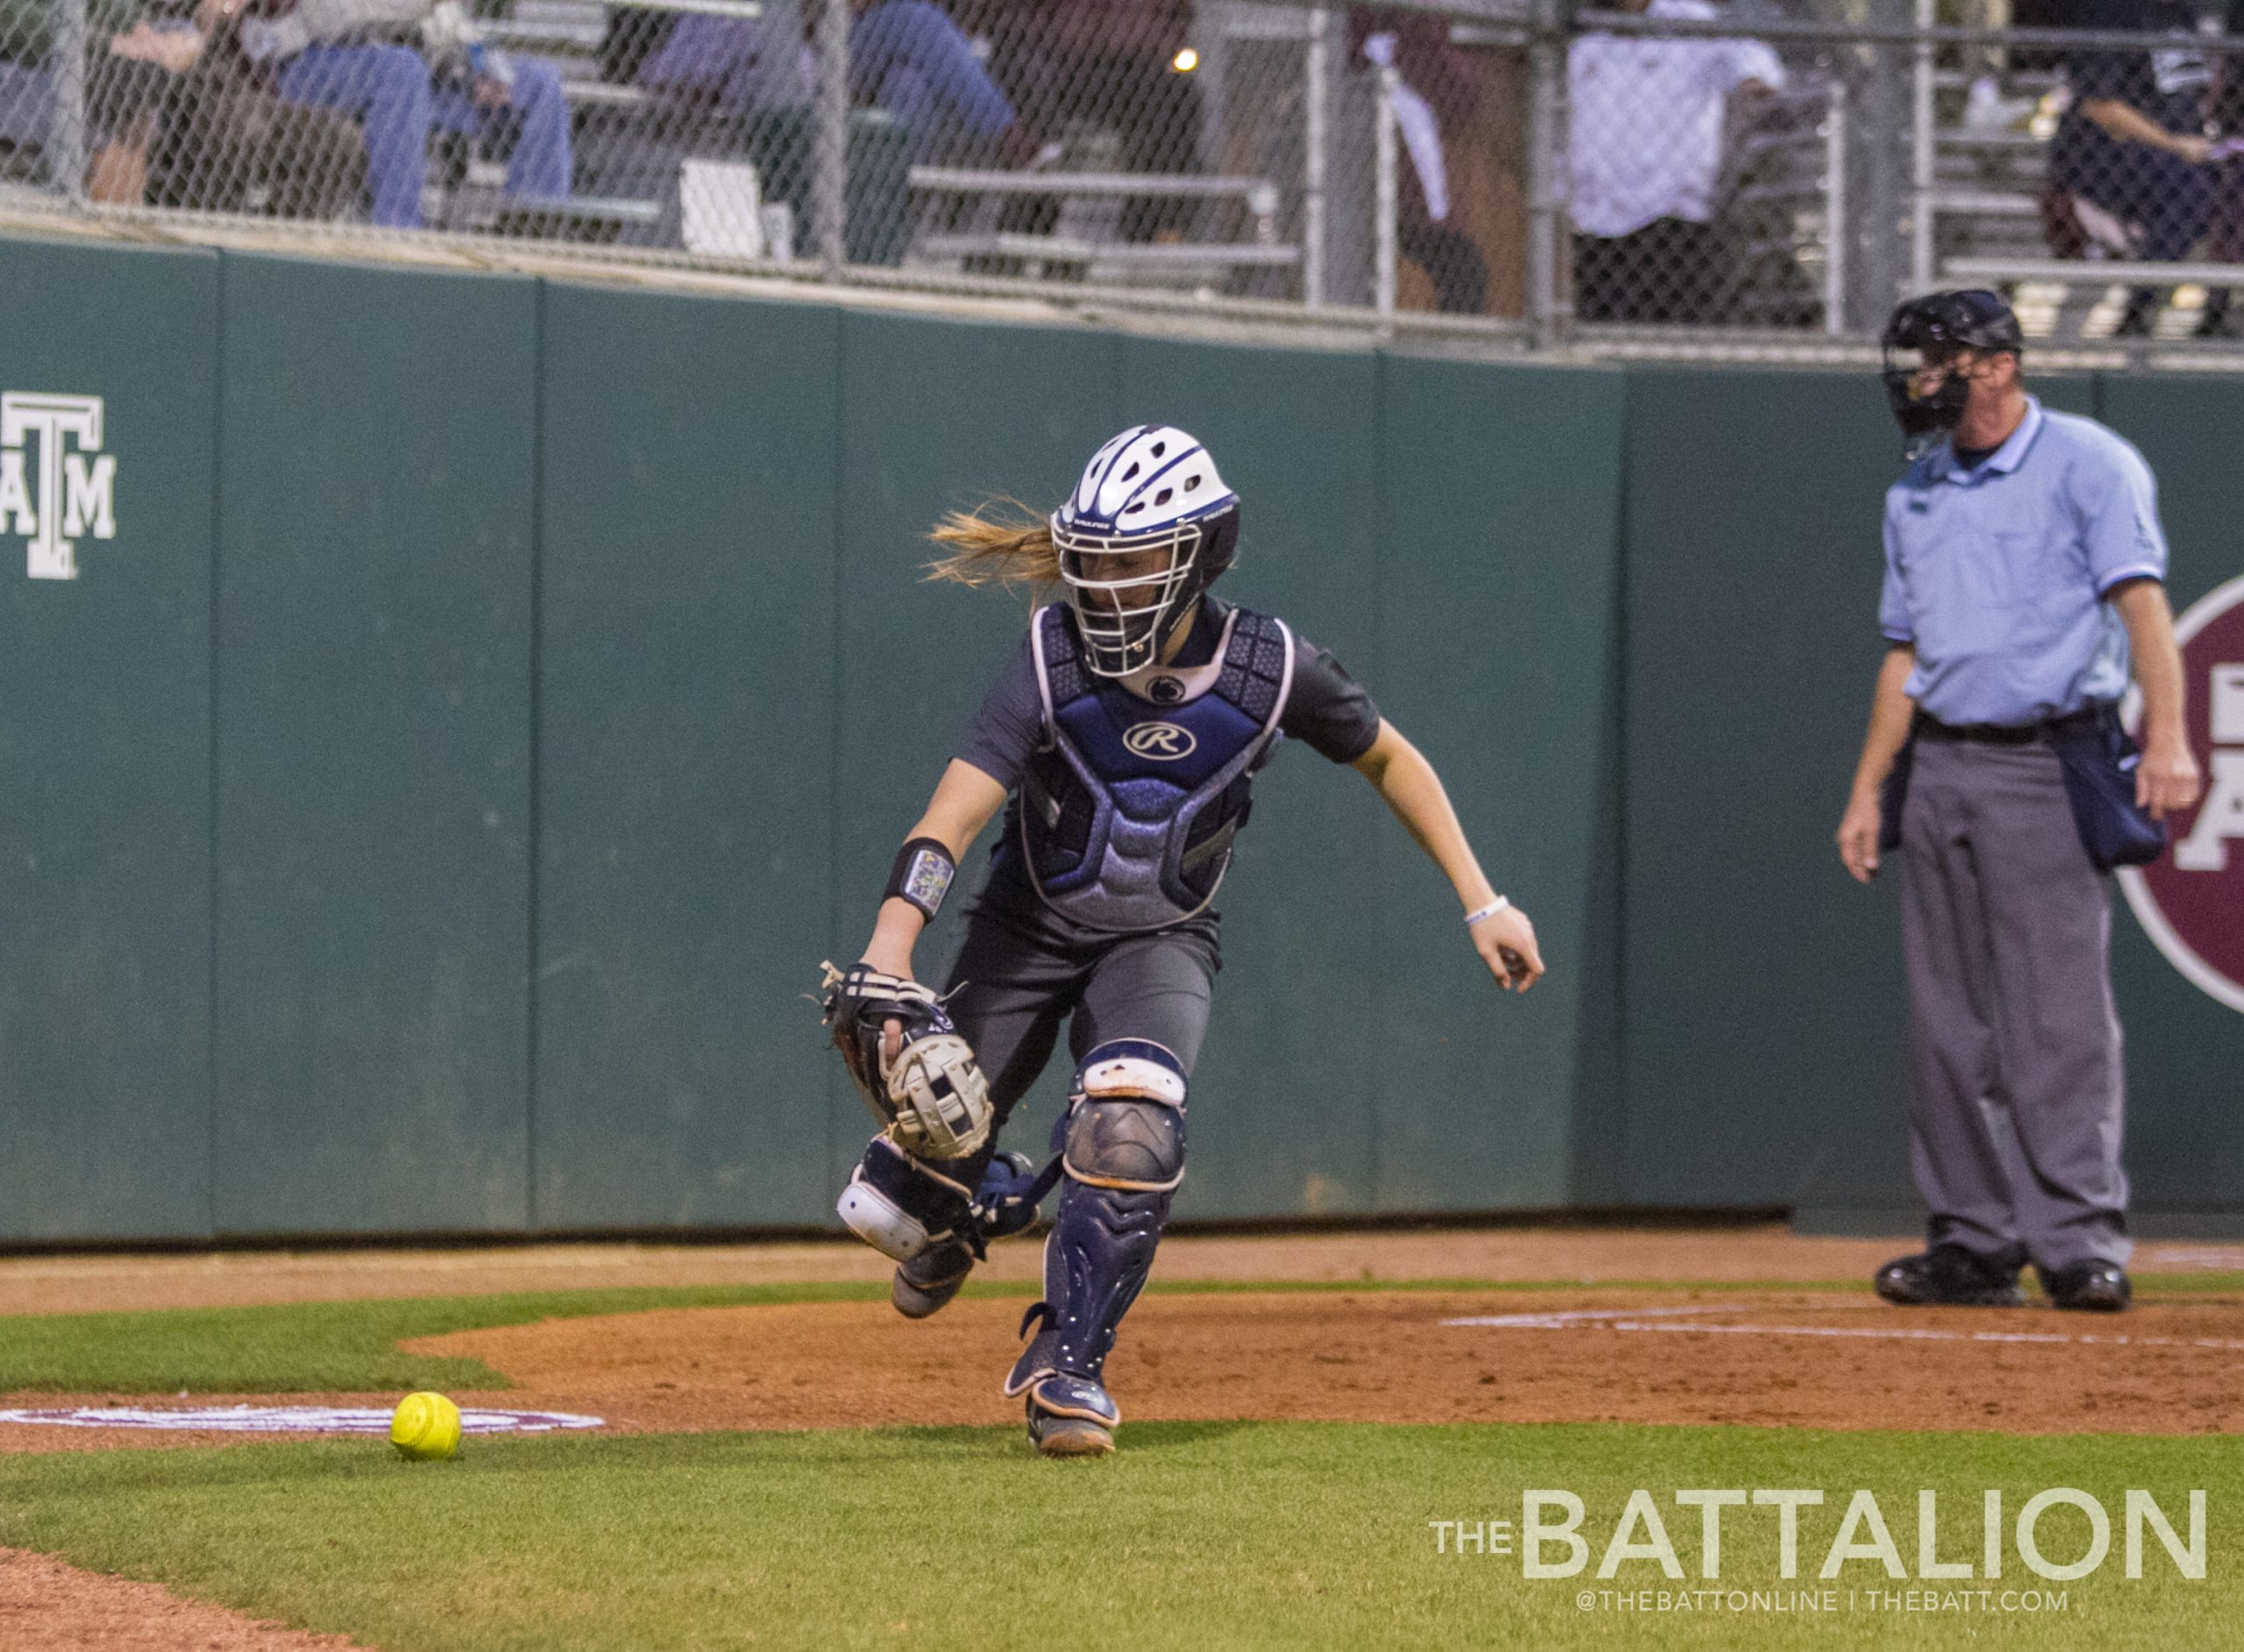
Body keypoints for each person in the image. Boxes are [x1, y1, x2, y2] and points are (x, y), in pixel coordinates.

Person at [826, 424, 1545, 1456]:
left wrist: (1483, 901)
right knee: (882, 1211)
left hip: (1158, 943)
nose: (1106, 588)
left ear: (1199, 555)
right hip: (1022, 930)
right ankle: (962, 1201)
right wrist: (891, 951)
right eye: (1095, 564)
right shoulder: (1049, 654)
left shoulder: (1268, 666)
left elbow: (1391, 759)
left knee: (1133, 1124)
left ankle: (1070, 1368)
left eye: (1133, 565)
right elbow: (949, 818)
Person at [1836, 290, 2203, 1314]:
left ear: (1995, 365)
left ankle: (2077, 1238)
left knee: (2057, 1021)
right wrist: (1870, 790)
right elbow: (1902, 655)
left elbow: (2142, 607)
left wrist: (2166, 737)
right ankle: (1971, 1238)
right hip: (1940, 762)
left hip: (2046, 760)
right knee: (1946, 1022)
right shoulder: (1913, 491)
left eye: (1935, 360)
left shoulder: (2088, 462)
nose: (1916, 379)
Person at [234, 0, 573, 229]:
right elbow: (331, 16)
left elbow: (444, 23)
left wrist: (475, 66)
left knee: (540, 84)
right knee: (402, 73)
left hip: (415, 66)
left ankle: (538, 227)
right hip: (307, 64)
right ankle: (398, 234)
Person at [1566, 0, 1781, 324]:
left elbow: (1753, 67)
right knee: (1600, 334)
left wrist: (1751, 87)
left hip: (1673, 223)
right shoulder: (1583, 33)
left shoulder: (1693, 22)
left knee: (1675, 335)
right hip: (1595, 228)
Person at [2050, 0, 2216, 336]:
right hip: (2102, 155)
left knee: (2224, 187)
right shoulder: (2114, 11)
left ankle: (2220, 311)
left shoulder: (2184, 13)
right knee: (2188, 191)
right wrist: (2175, 144)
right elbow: (2101, 107)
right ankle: (2138, 314)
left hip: (2181, 153)